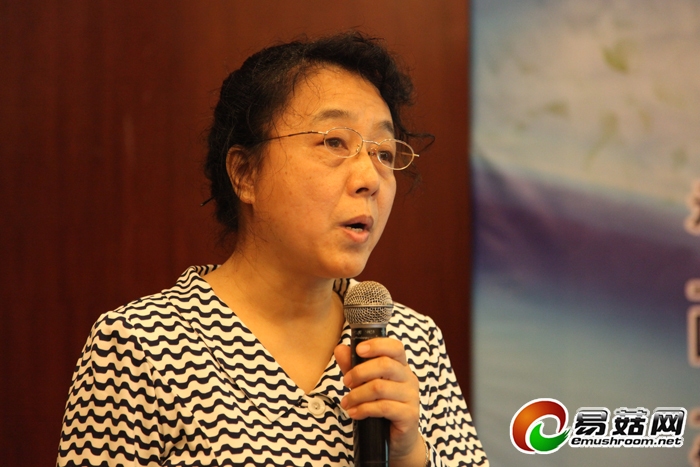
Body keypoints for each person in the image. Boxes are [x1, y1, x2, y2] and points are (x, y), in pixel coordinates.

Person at [57, 31, 488, 466]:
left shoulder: (411, 340)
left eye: (384, 152)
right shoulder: (140, 345)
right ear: (245, 173)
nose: (369, 180)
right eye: (334, 142)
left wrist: (409, 452)